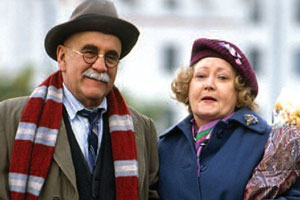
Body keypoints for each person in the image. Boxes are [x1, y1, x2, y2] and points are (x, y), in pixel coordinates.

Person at [0, 0, 159, 199]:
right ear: (62, 57)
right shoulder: (9, 119)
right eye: (89, 53)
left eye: (111, 57)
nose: (100, 66)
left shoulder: (143, 130)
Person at [157, 37, 300, 199]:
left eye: (222, 78)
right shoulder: (165, 146)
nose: (209, 84)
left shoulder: (271, 143)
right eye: (201, 76)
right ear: (187, 87)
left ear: (239, 91)